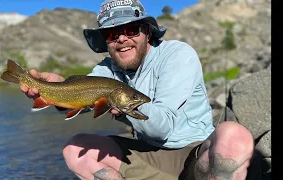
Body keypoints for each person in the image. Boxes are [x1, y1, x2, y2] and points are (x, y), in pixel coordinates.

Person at [21, 0, 254, 179]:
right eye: (112, 34)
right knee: (75, 148)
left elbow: (163, 128)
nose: (122, 38)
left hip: (195, 152)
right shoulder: (106, 70)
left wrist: (122, 107)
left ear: (147, 32)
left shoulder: (177, 55)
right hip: (146, 154)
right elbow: (80, 95)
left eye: (131, 29)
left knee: (234, 136)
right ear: (105, 41)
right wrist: (57, 90)